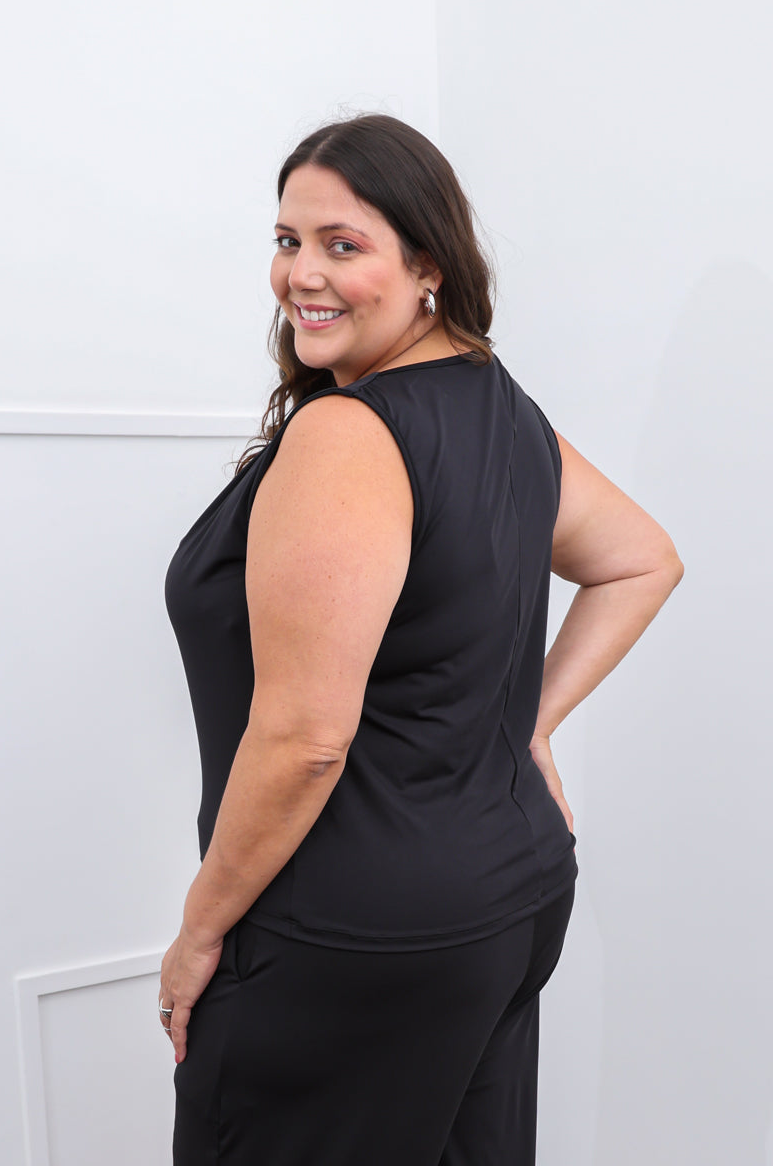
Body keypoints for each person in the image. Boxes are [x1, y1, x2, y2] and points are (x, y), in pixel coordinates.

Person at [159, 113, 683, 1165]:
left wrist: (199, 930)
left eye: (342, 244)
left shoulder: (346, 434)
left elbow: (306, 739)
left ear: (427, 265)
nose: (301, 274)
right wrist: (524, 728)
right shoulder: (500, 406)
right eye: (287, 240)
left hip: (352, 931)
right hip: (509, 896)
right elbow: (642, 558)